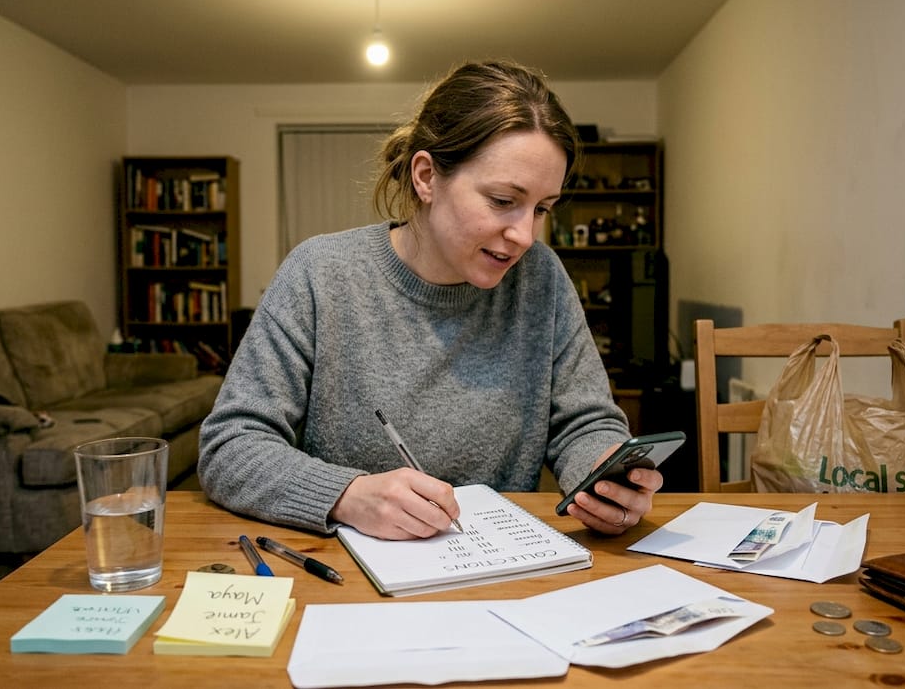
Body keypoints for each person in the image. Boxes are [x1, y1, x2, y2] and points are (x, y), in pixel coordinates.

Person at [198, 60, 663, 540]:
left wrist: (605, 471)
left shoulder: (541, 279)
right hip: (349, 578)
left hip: (499, 568)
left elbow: (586, 422)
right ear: (426, 177)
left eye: (542, 208)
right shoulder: (320, 273)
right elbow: (230, 446)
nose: (524, 235)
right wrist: (347, 495)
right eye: (503, 200)